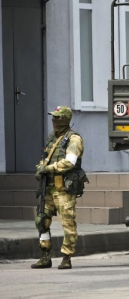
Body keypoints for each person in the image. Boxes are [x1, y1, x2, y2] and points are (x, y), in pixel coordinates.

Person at [31, 106, 84, 270]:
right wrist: (41, 167)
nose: (55, 121)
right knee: (41, 221)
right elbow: (46, 158)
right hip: (48, 187)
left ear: (66, 119)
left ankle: (66, 257)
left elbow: (69, 162)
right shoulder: (52, 138)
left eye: (58, 118)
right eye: (54, 118)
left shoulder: (74, 139)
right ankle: (45, 255)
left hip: (63, 189)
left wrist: (49, 168)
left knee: (68, 223)